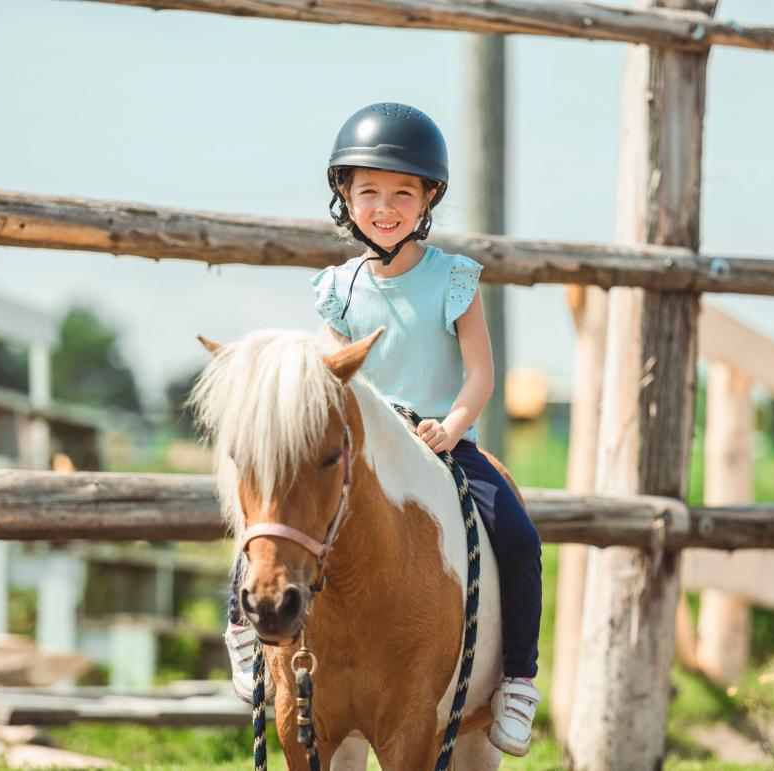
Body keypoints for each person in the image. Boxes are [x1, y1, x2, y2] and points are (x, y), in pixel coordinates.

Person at [224, 102, 543, 757]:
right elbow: (330, 376)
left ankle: (517, 677)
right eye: (369, 191)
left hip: (437, 444)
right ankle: (243, 626)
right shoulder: (339, 287)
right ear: (346, 197)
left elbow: (481, 373)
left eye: (404, 192)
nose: (386, 206)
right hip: (365, 447)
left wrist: (454, 425)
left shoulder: (453, 278)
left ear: (430, 199)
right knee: (270, 521)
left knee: (518, 531)